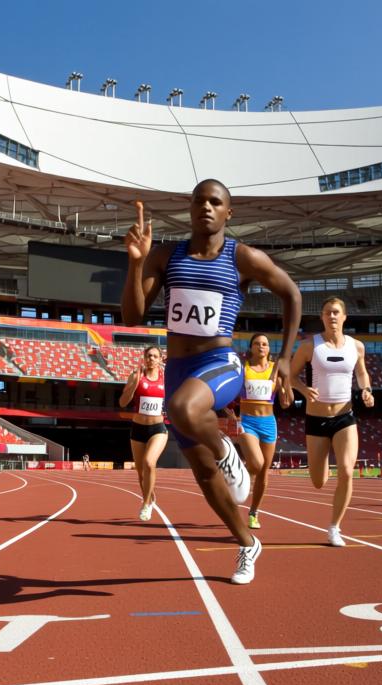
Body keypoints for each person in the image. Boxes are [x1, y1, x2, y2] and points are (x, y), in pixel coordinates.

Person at [122, 181, 301, 584]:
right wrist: (136, 263)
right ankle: (246, 545)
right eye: (200, 200)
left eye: (215, 202)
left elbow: (291, 294)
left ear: (228, 213)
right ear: (189, 208)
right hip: (179, 371)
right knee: (203, 474)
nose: (207, 207)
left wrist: (286, 357)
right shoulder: (167, 256)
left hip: (221, 363)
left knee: (185, 409)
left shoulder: (242, 257)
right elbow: (132, 315)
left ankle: (226, 450)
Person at [286, 297, 374, 547]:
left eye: (336, 312)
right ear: (322, 317)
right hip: (316, 419)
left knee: (347, 471)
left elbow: (361, 372)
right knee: (318, 482)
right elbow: (290, 377)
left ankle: (334, 527)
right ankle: (324, 463)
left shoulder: (356, 347)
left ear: (344, 317)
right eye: (327, 313)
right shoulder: (309, 346)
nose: (332, 316)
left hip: (345, 417)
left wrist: (366, 390)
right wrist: (304, 389)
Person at [225, 333, 290, 529]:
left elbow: (285, 403)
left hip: (269, 423)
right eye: (257, 343)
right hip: (248, 422)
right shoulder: (243, 369)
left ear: (269, 349)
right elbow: (228, 393)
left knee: (263, 472)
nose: (261, 346)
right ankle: (238, 478)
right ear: (251, 347)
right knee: (257, 462)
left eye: (265, 344)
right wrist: (231, 415)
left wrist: (286, 384)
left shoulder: (275, 370)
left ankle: (253, 512)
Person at [118, 345, 167, 520]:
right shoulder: (136, 375)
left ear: (161, 359)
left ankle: (146, 504)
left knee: (149, 462)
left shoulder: (166, 378)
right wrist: (135, 384)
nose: (151, 359)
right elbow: (123, 402)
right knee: (140, 473)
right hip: (138, 428)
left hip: (158, 429)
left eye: (155, 356)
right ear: (144, 358)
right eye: (148, 356)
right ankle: (151, 497)